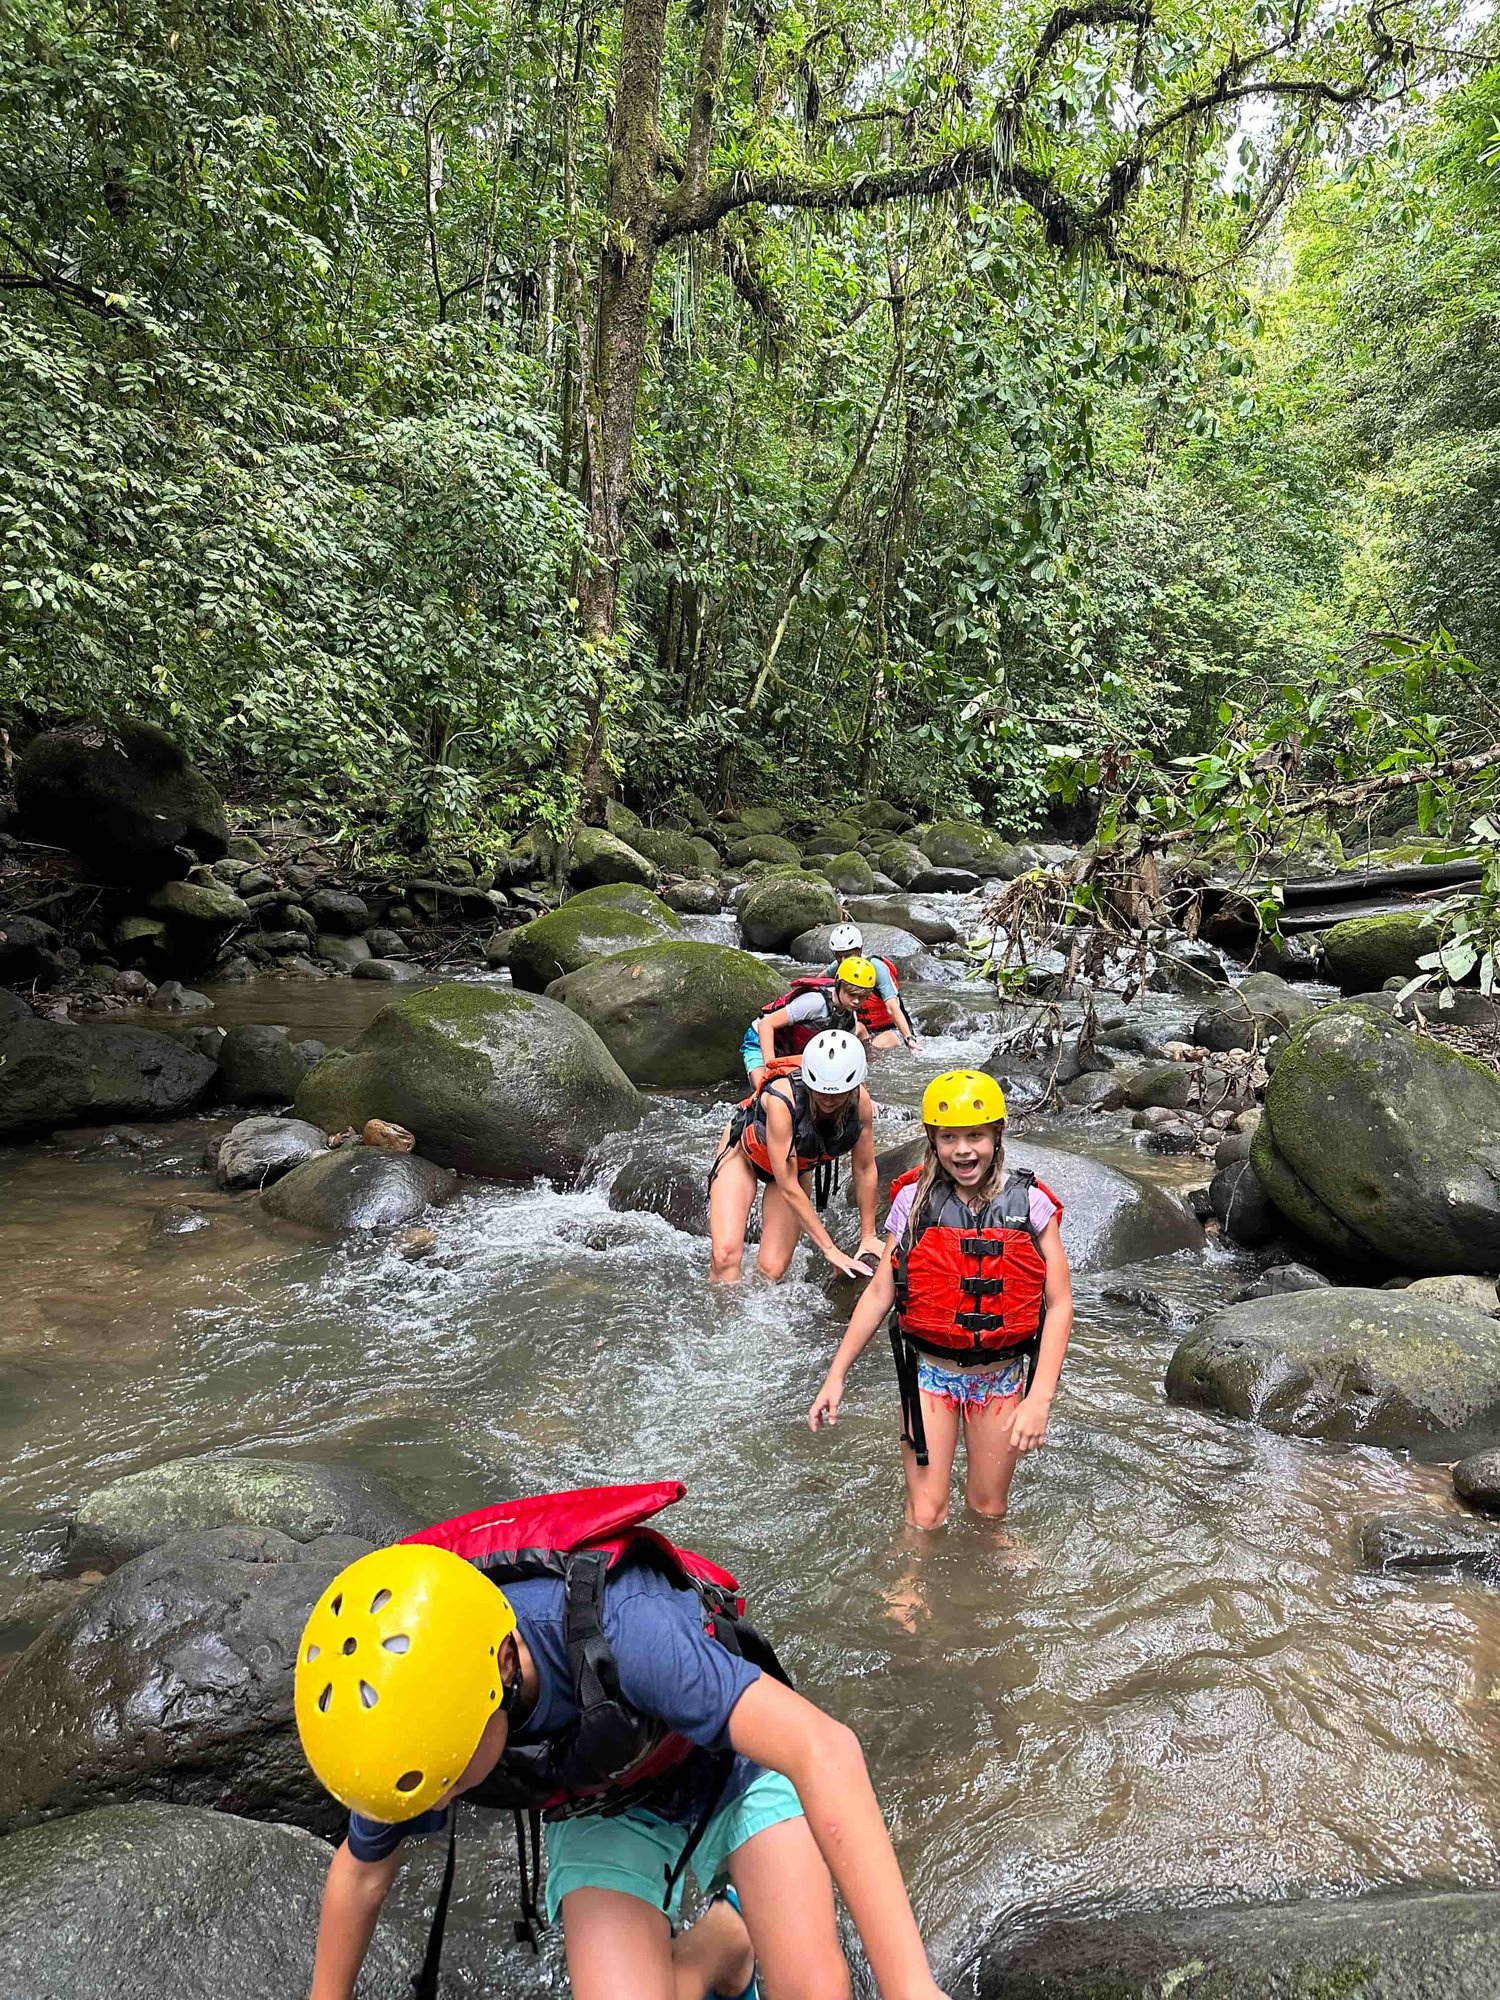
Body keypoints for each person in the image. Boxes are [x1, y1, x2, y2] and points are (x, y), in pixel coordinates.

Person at [295, 1481, 948, 2000]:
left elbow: (822, 1749)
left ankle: (731, 1931)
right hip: (600, 1802)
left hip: (729, 1764)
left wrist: (910, 1986)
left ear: (501, 1668)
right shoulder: (402, 1720)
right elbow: (359, 1877)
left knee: (817, 1991)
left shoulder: (629, 1628)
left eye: (455, 1773)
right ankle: (722, 1948)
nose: (443, 1792)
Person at [808, 1070, 1073, 1531]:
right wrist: (836, 1374)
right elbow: (880, 1292)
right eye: (949, 1138)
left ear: (997, 1134)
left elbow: (1061, 1304)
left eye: (975, 1136)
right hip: (930, 1378)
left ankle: (989, 1572)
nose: (962, 1150)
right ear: (933, 1140)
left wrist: (1040, 1399)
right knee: (926, 1515)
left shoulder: (1030, 1204)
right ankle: (912, 1579)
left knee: (988, 1508)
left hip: (1001, 1379)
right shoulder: (912, 1201)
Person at [709, 1029, 882, 1284]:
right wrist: (830, 1249)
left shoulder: (861, 1104)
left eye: (838, 1093)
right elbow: (788, 1185)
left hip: (795, 1169)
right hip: (744, 1157)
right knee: (725, 1257)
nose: (829, 1100)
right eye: (820, 1091)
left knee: (772, 1271)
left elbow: (865, 1169)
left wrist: (868, 1235)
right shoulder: (783, 1100)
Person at [739, 957, 873, 1093]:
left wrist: (864, 1095)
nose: (856, 1001)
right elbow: (765, 1024)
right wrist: (771, 1070)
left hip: (791, 1051)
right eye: (851, 994)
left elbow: (849, 1056)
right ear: (838, 984)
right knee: (768, 1090)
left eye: (862, 997)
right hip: (758, 1041)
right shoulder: (815, 1003)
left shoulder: (849, 1018)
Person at [824, 924, 920, 1053]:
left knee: (873, 1049)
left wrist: (909, 1038)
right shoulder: (839, 966)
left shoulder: (876, 968)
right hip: (863, 1028)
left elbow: (892, 1007)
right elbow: (819, 983)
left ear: (859, 950)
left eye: (847, 955)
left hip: (891, 1029)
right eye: (838, 956)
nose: (843, 960)